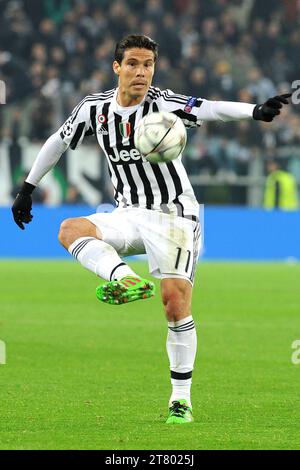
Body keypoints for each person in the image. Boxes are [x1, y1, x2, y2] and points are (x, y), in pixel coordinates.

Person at [11, 34, 291, 424]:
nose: (141, 72)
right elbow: (57, 142)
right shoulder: (94, 109)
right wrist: (28, 188)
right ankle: (124, 279)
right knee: (70, 228)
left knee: (175, 305)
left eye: (148, 65)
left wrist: (255, 111)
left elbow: (207, 109)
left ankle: (181, 399)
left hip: (175, 214)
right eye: (133, 64)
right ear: (117, 67)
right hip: (128, 212)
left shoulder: (162, 102)